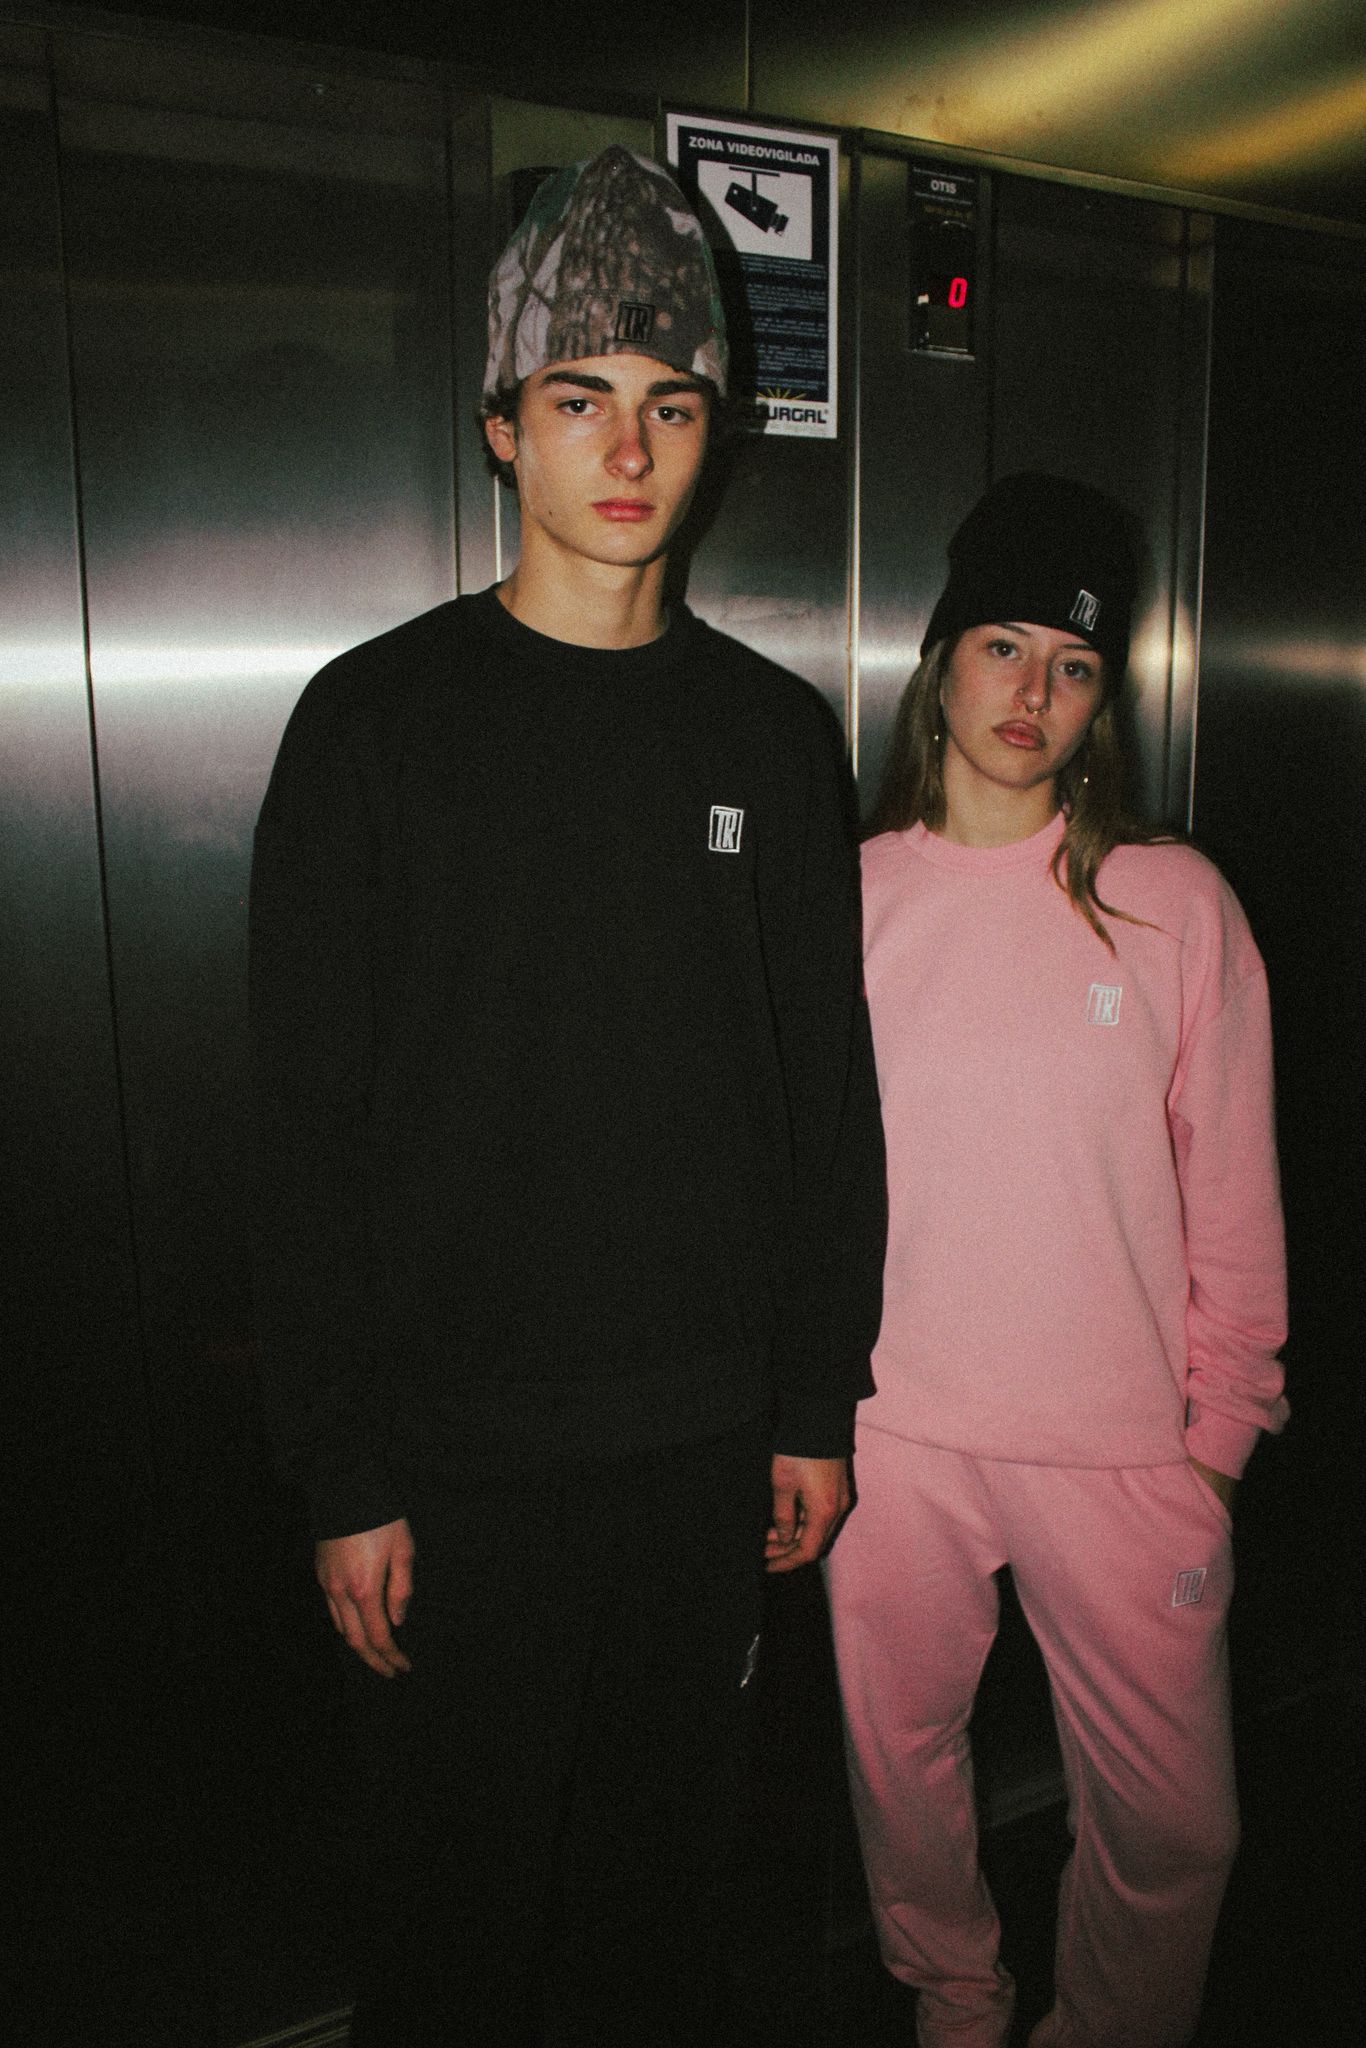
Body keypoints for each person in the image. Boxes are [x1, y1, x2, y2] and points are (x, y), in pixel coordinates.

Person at [248, 145, 886, 2047]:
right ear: (500, 427)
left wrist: (813, 1399)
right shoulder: (372, 723)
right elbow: (304, 1121)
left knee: (652, 1921)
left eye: (670, 402)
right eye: (579, 396)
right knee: (453, 1933)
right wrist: (342, 1468)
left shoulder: (769, 735)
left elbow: (822, 1095)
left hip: (702, 1458)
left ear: (714, 434)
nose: (627, 446)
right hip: (458, 1468)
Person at [825, 472, 1288, 2048]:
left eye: (1074, 665)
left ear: (1103, 702)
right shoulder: (848, 898)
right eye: (1003, 647)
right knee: (902, 1771)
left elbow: (1231, 1199)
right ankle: (955, 2005)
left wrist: (1216, 1445)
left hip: (1124, 1449)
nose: (1031, 693)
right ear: (941, 661)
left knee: (1180, 1831)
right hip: (895, 1436)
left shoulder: (1172, 905)